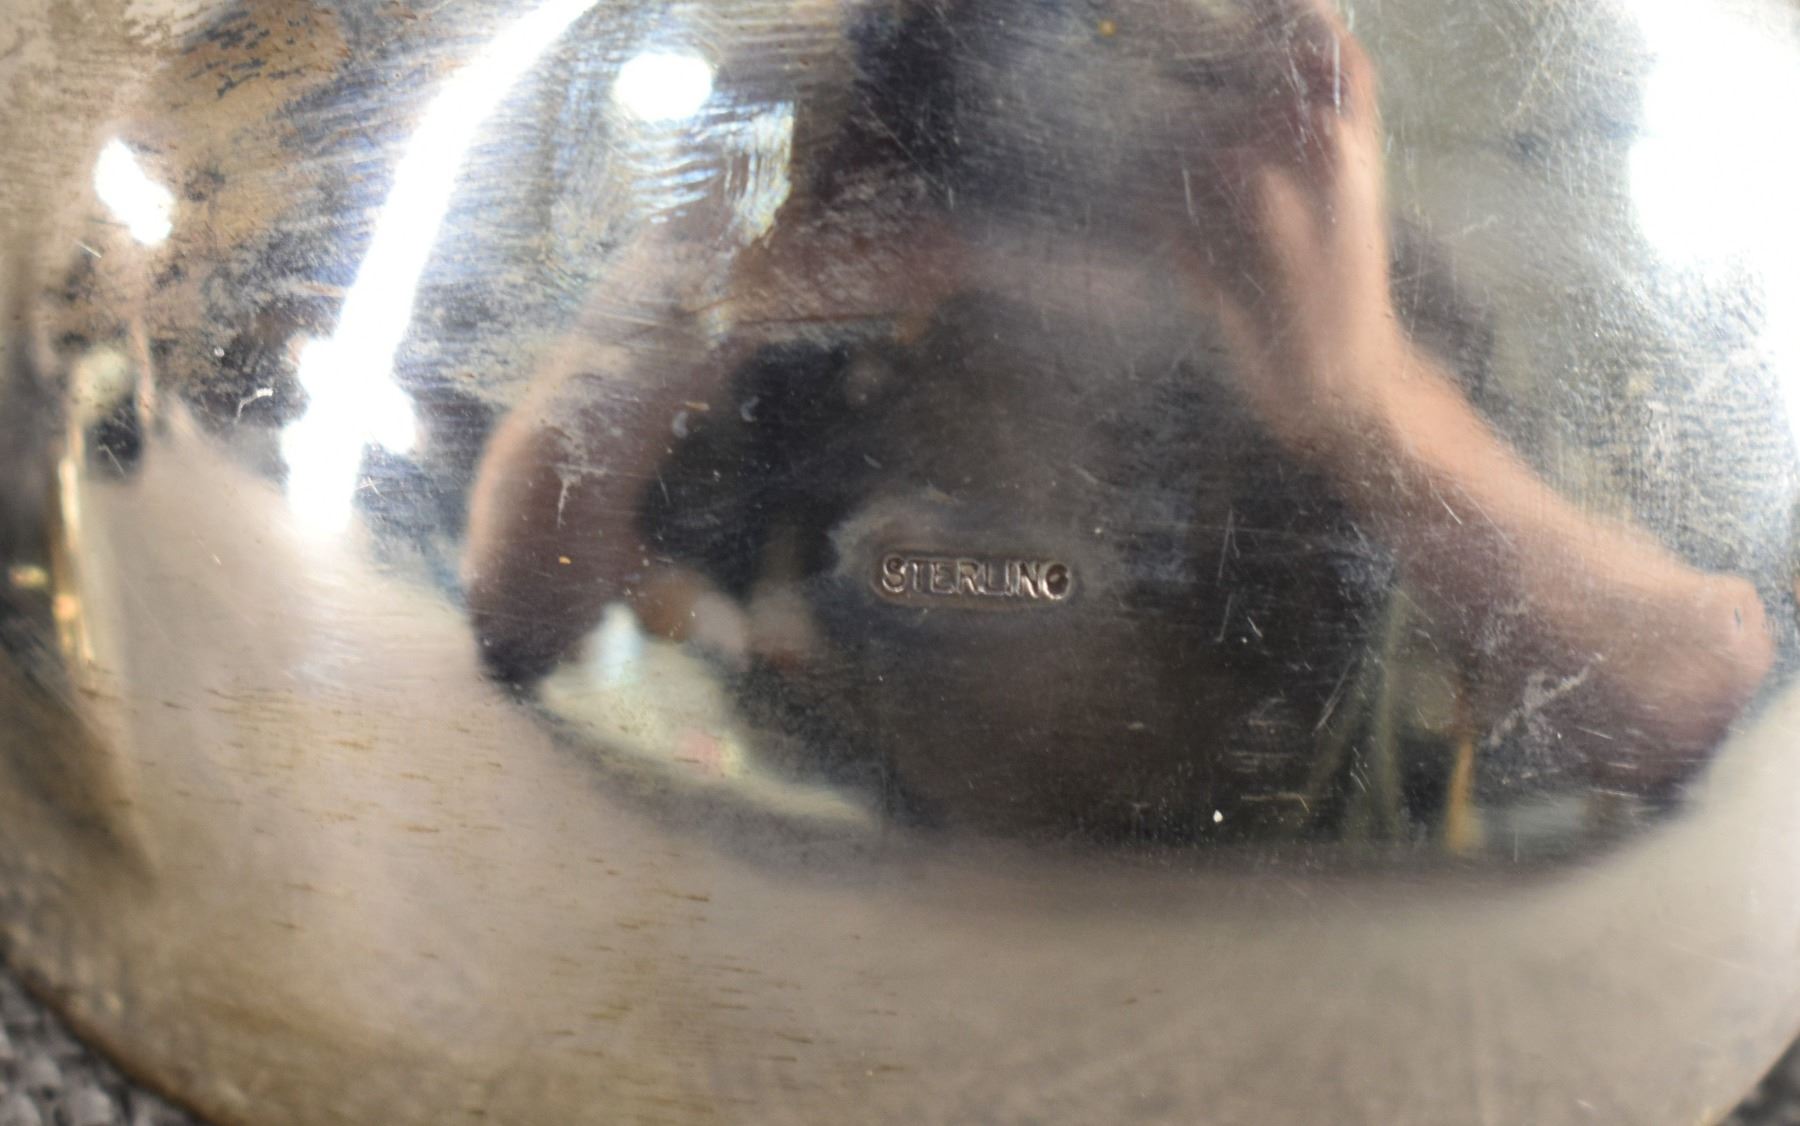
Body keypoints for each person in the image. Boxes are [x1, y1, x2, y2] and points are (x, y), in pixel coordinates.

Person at [464, 0, 1773, 839]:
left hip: (1295, 964)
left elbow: (1691, 701)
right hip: (808, 914)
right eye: (1000, 55)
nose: (1063, 143)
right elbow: (514, 612)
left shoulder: (1362, 289)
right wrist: (692, 282)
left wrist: (1372, 402)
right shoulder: (811, 299)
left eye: (1148, 63)